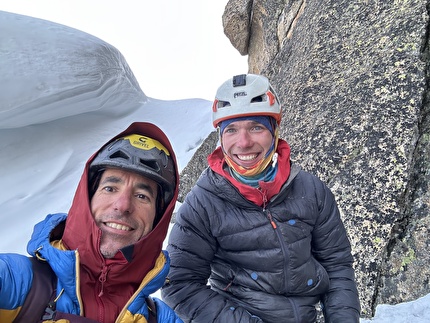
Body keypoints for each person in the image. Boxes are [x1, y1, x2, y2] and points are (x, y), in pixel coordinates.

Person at [161, 74, 361, 322]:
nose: (243, 143)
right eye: (231, 130)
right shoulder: (203, 203)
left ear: (274, 132)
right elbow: (180, 284)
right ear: (220, 139)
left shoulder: (311, 190)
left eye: (256, 127)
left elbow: (337, 263)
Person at [0, 122, 183, 323]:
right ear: (86, 198)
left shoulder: (161, 319)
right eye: (110, 188)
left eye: (141, 196)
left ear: (158, 219)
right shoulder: (17, 281)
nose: (122, 206)